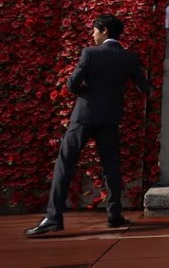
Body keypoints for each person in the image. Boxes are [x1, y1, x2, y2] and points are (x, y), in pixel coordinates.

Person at [26, 14, 152, 237]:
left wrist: (85, 92)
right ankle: (114, 215)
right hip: (110, 118)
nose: (92, 35)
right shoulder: (129, 58)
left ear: (103, 30)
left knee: (64, 164)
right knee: (111, 167)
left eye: (94, 30)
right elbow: (144, 87)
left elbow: (72, 84)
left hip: (84, 116)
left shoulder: (90, 53)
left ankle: (54, 217)